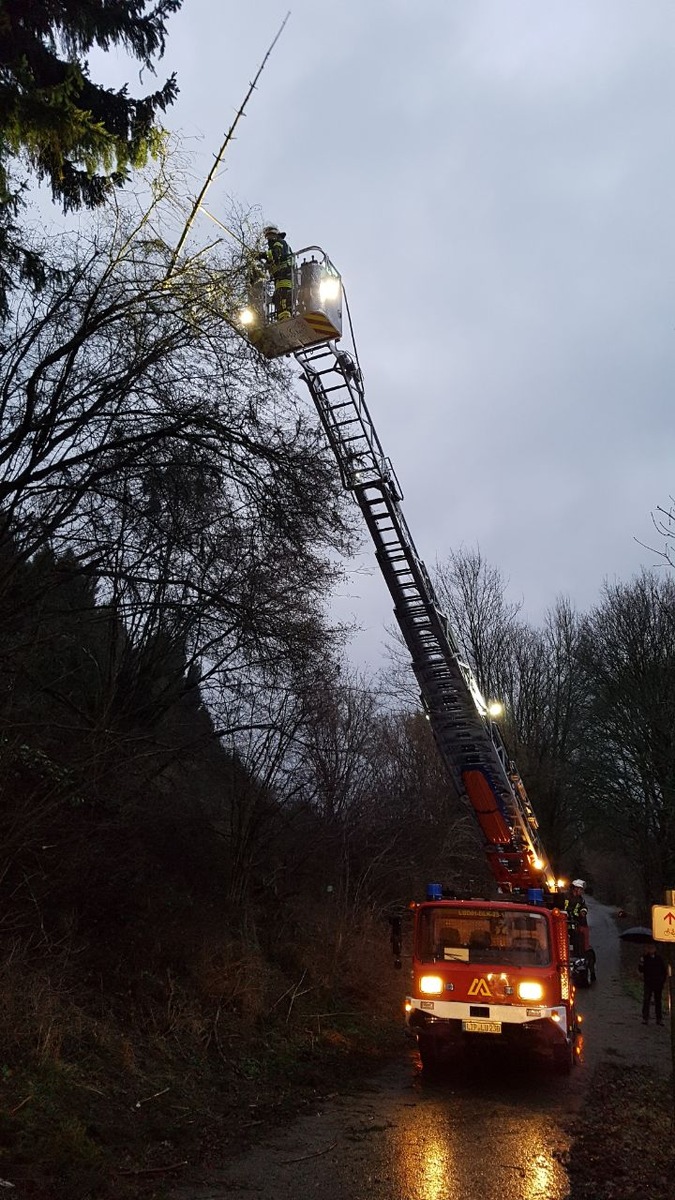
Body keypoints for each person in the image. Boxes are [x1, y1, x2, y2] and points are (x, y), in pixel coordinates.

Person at [261, 224, 293, 321]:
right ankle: (281, 317)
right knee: (277, 298)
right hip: (280, 278)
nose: (268, 238)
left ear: (276, 235)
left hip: (285, 276)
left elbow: (276, 254)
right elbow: (274, 259)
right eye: (267, 236)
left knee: (283, 296)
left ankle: (285, 317)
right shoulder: (276, 245)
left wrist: (262, 255)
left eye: (270, 235)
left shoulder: (279, 243)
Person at [639, 944, 668, 1025]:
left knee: (658, 1001)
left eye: (652, 948)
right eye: (649, 948)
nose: (651, 949)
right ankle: (645, 1018)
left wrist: (662, 980)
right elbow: (640, 970)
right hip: (648, 982)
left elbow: (663, 970)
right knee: (646, 999)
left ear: (655, 949)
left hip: (658, 983)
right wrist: (641, 962)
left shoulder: (659, 958)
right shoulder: (644, 958)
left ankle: (659, 1019)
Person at [564, 879, 589, 956]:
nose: (581, 891)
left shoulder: (581, 900)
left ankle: (577, 955)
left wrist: (583, 911)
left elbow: (584, 907)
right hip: (563, 922)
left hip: (574, 923)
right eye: (580, 889)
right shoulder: (565, 896)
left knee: (577, 940)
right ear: (575, 888)